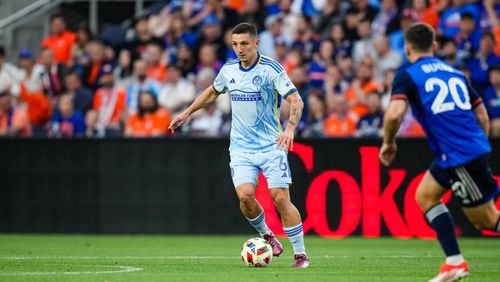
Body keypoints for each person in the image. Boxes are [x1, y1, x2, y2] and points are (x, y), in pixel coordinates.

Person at [169, 22, 310, 268]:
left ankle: (300, 254)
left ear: (256, 43)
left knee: (279, 198)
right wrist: (188, 112)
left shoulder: (271, 69)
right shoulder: (229, 69)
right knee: (245, 197)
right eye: (235, 44)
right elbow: (213, 92)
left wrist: (289, 128)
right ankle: (268, 235)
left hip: (271, 144)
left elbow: (295, 99)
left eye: (244, 43)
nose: (239, 49)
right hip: (241, 148)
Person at [379, 23, 500, 282]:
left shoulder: (407, 74)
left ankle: (455, 263)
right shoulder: (455, 73)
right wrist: (479, 143)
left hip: (460, 155)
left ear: (408, 49)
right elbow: (481, 114)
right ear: (434, 46)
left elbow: (394, 114)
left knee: (487, 221)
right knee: (425, 195)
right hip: (460, 152)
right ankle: (454, 262)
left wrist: (388, 143)